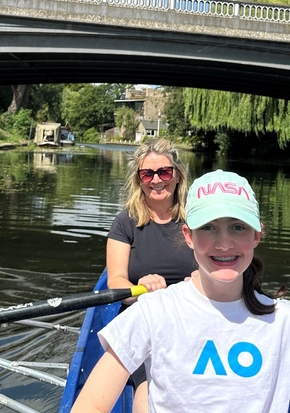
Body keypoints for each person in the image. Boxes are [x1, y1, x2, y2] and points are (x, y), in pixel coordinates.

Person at [73, 170, 290, 413]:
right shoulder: (152, 311)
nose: (224, 243)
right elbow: (91, 406)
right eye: (209, 227)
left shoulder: (289, 323)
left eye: (238, 227)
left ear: (256, 236)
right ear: (189, 236)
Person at [106, 138, 197, 412]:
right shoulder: (126, 222)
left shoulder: (197, 219)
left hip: (192, 319)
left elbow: (220, 269)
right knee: (149, 392)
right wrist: (140, 289)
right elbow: (116, 282)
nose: (157, 180)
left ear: (177, 175)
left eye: (164, 172)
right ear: (139, 179)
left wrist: (205, 283)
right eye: (148, 174)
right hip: (145, 321)